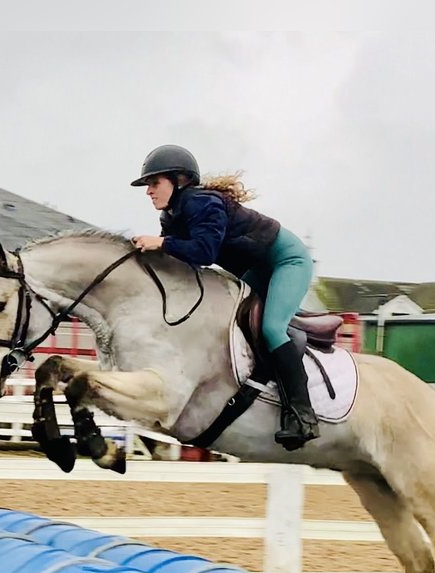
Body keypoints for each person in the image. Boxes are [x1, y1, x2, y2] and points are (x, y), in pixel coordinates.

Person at [129, 144, 320, 451]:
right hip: (255, 269)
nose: (148, 191)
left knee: (272, 328)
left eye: (154, 183)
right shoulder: (171, 216)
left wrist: (161, 244)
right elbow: (179, 263)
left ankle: (302, 414)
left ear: (180, 180)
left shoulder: (203, 202)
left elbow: (204, 252)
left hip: (286, 261)